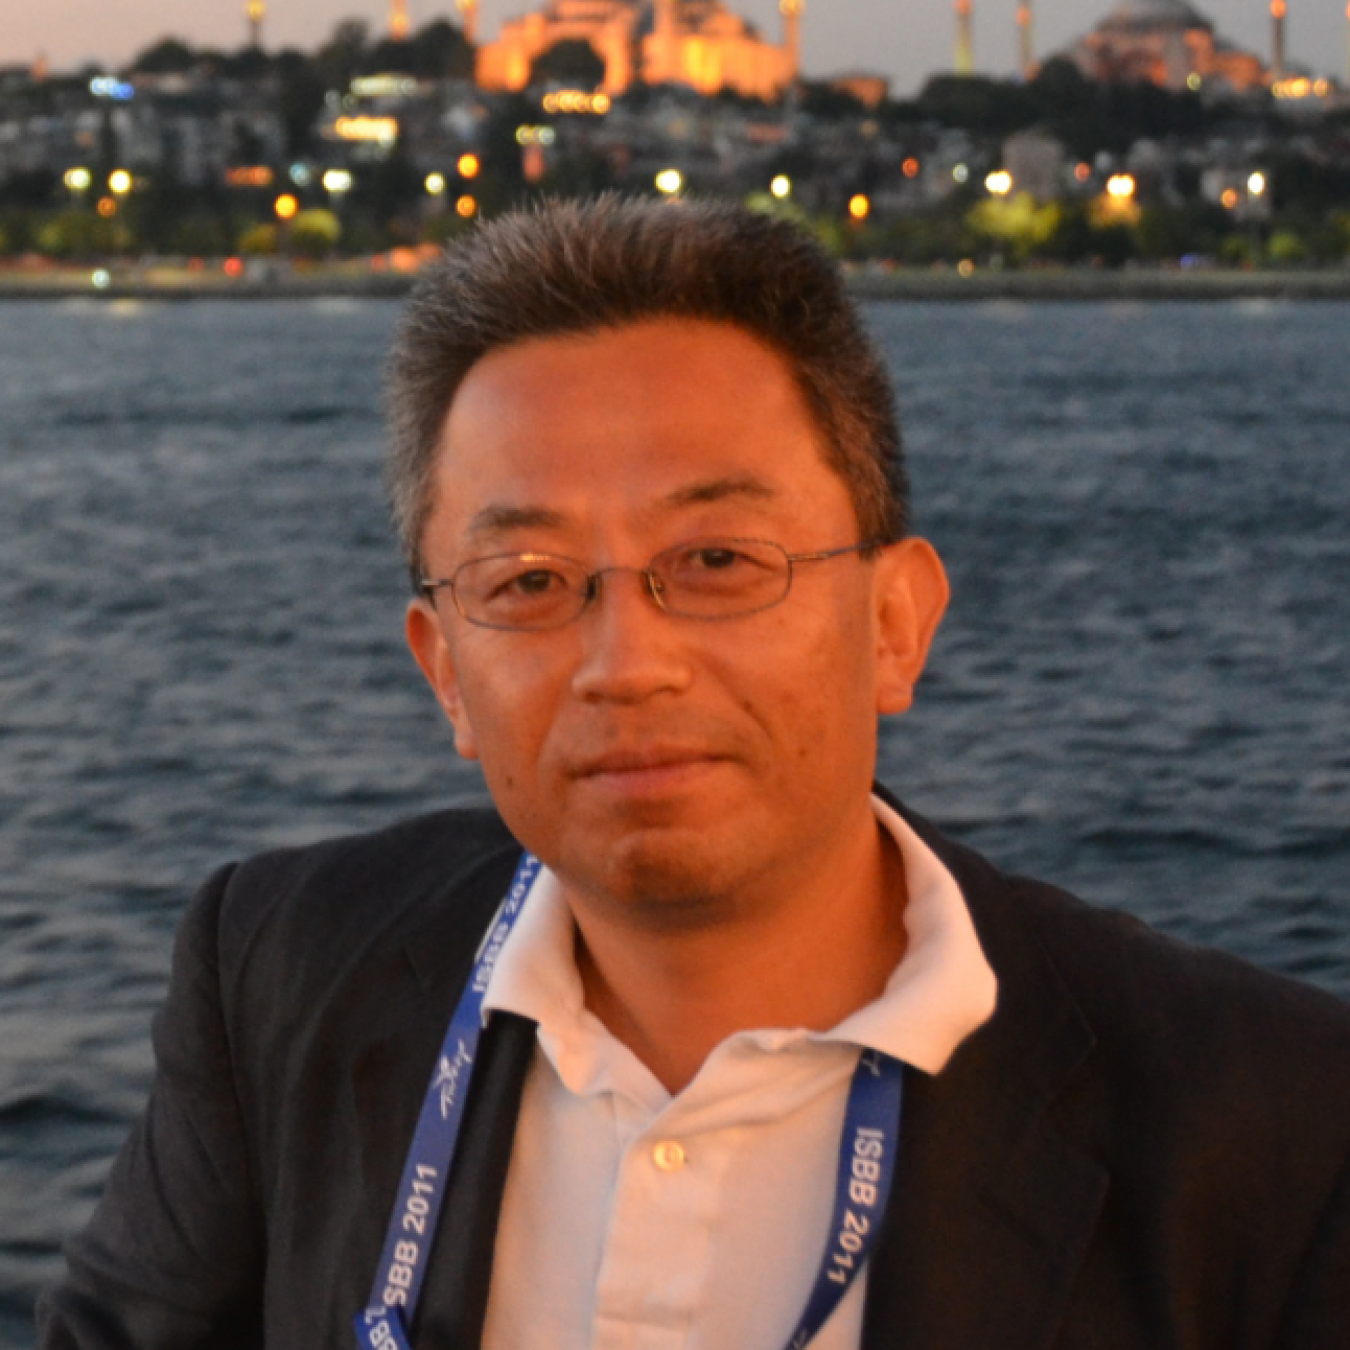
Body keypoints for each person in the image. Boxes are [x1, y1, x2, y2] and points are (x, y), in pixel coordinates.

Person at [40, 197, 1350, 1350]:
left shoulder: (1268, 1119)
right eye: (530, 583)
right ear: (443, 669)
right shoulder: (279, 974)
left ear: (894, 622)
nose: (628, 661)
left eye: (718, 560)